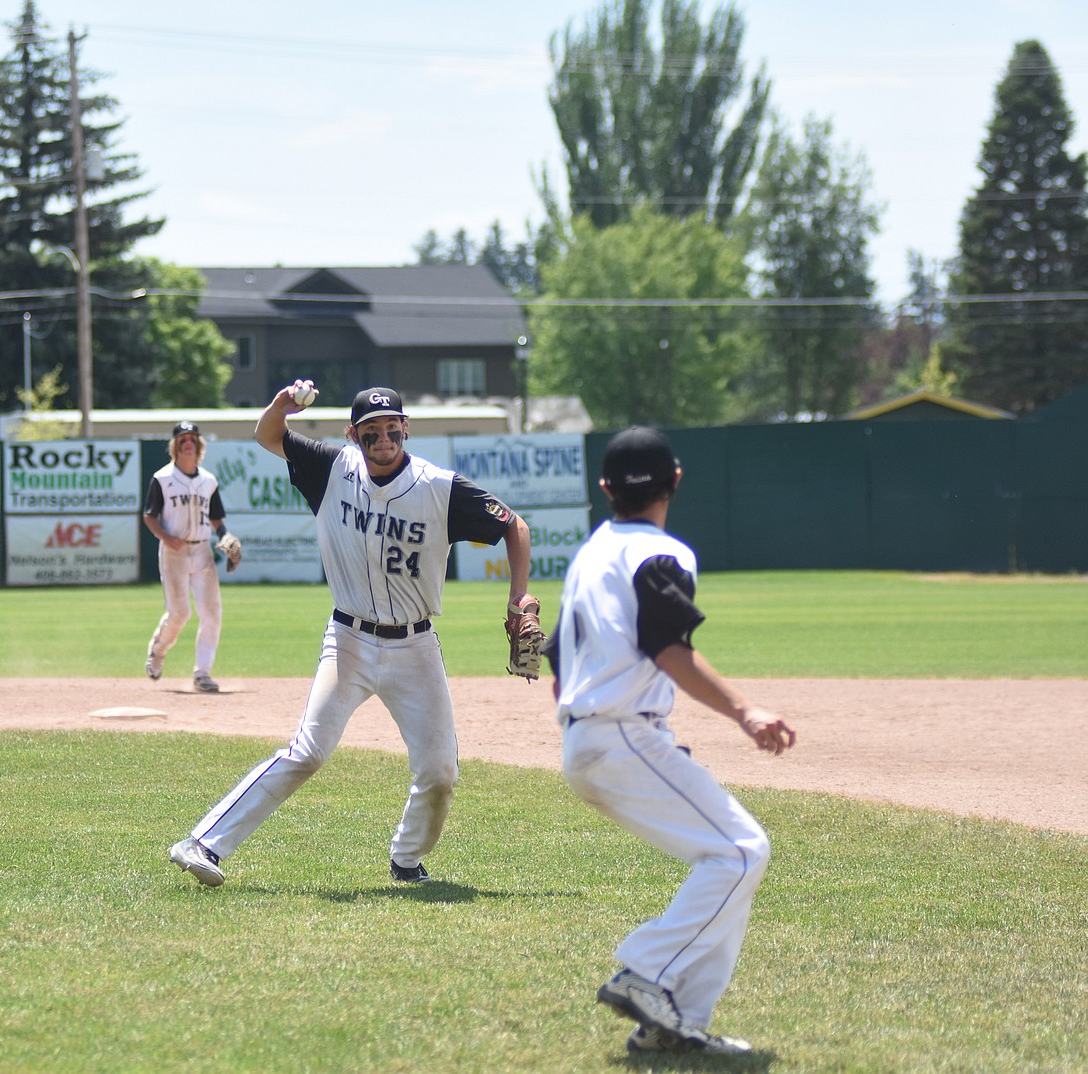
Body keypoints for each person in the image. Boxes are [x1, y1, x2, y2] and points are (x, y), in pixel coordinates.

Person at [169, 382, 536, 887]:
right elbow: (268, 435)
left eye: (391, 428)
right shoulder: (331, 467)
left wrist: (518, 598)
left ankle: (407, 860)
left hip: (416, 646)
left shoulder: (439, 487)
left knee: (440, 771)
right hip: (349, 641)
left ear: (406, 428)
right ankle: (204, 842)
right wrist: (282, 405)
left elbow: (514, 526)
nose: (382, 437)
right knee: (308, 751)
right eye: (370, 431)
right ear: (353, 434)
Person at [543, 426, 796, 1056]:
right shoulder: (661, 553)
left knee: (729, 856)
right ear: (675, 481)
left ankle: (672, 1023)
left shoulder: (590, 556)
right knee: (741, 852)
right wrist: (745, 710)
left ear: (605, 490)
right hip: (623, 737)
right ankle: (647, 973)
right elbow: (667, 650)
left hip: (591, 741)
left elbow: (558, 657)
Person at [143, 420, 235, 694]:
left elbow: (216, 518)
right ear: (175, 445)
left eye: (192, 438)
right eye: (182, 438)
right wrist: (166, 537)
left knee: (212, 613)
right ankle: (158, 651)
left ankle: (202, 674)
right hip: (174, 551)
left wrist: (226, 537)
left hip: (203, 550)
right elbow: (149, 515)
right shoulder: (162, 478)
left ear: (198, 444)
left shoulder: (208, 481)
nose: (188, 442)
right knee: (180, 612)